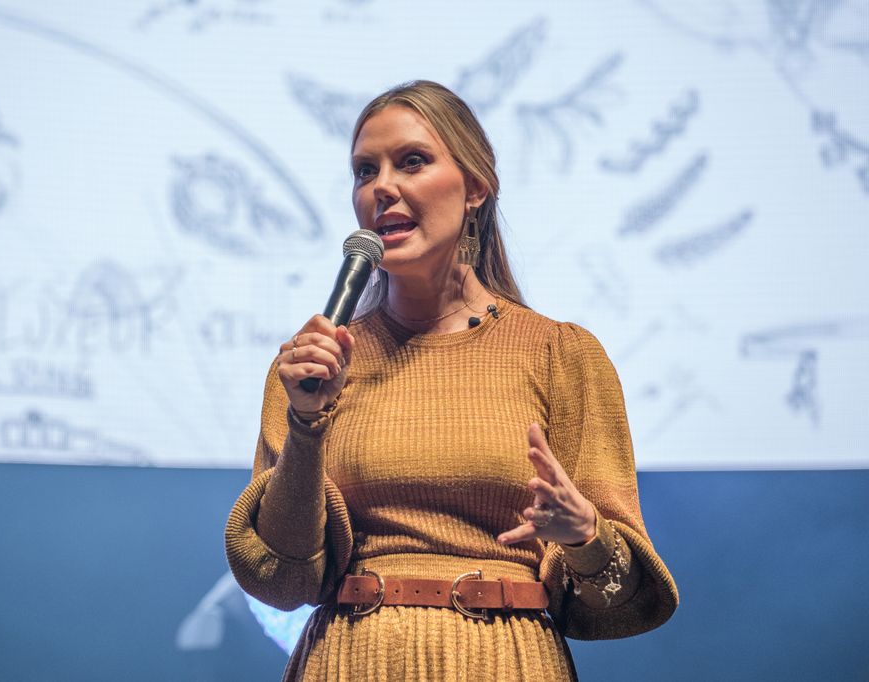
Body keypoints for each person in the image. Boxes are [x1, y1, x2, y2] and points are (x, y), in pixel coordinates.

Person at [225, 80, 678, 680]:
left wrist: (585, 535)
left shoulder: (559, 354)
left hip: (506, 661)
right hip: (355, 660)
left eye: (411, 162)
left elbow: (623, 599)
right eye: (365, 172)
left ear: (476, 188)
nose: (382, 186)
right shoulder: (313, 365)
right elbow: (281, 578)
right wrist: (306, 423)